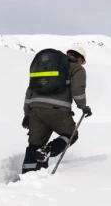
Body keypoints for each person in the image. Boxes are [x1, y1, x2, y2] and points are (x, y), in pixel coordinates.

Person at [21, 46, 92, 174]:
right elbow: (77, 90)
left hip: (35, 110)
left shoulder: (47, 66)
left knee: (34, 145)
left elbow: (30, 90)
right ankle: (47, 151)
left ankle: (26, 177)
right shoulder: (76, 68)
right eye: (83, 61)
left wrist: (27, 113)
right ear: (80, 58)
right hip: (57, 110)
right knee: (71, 134)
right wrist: (83, 106)